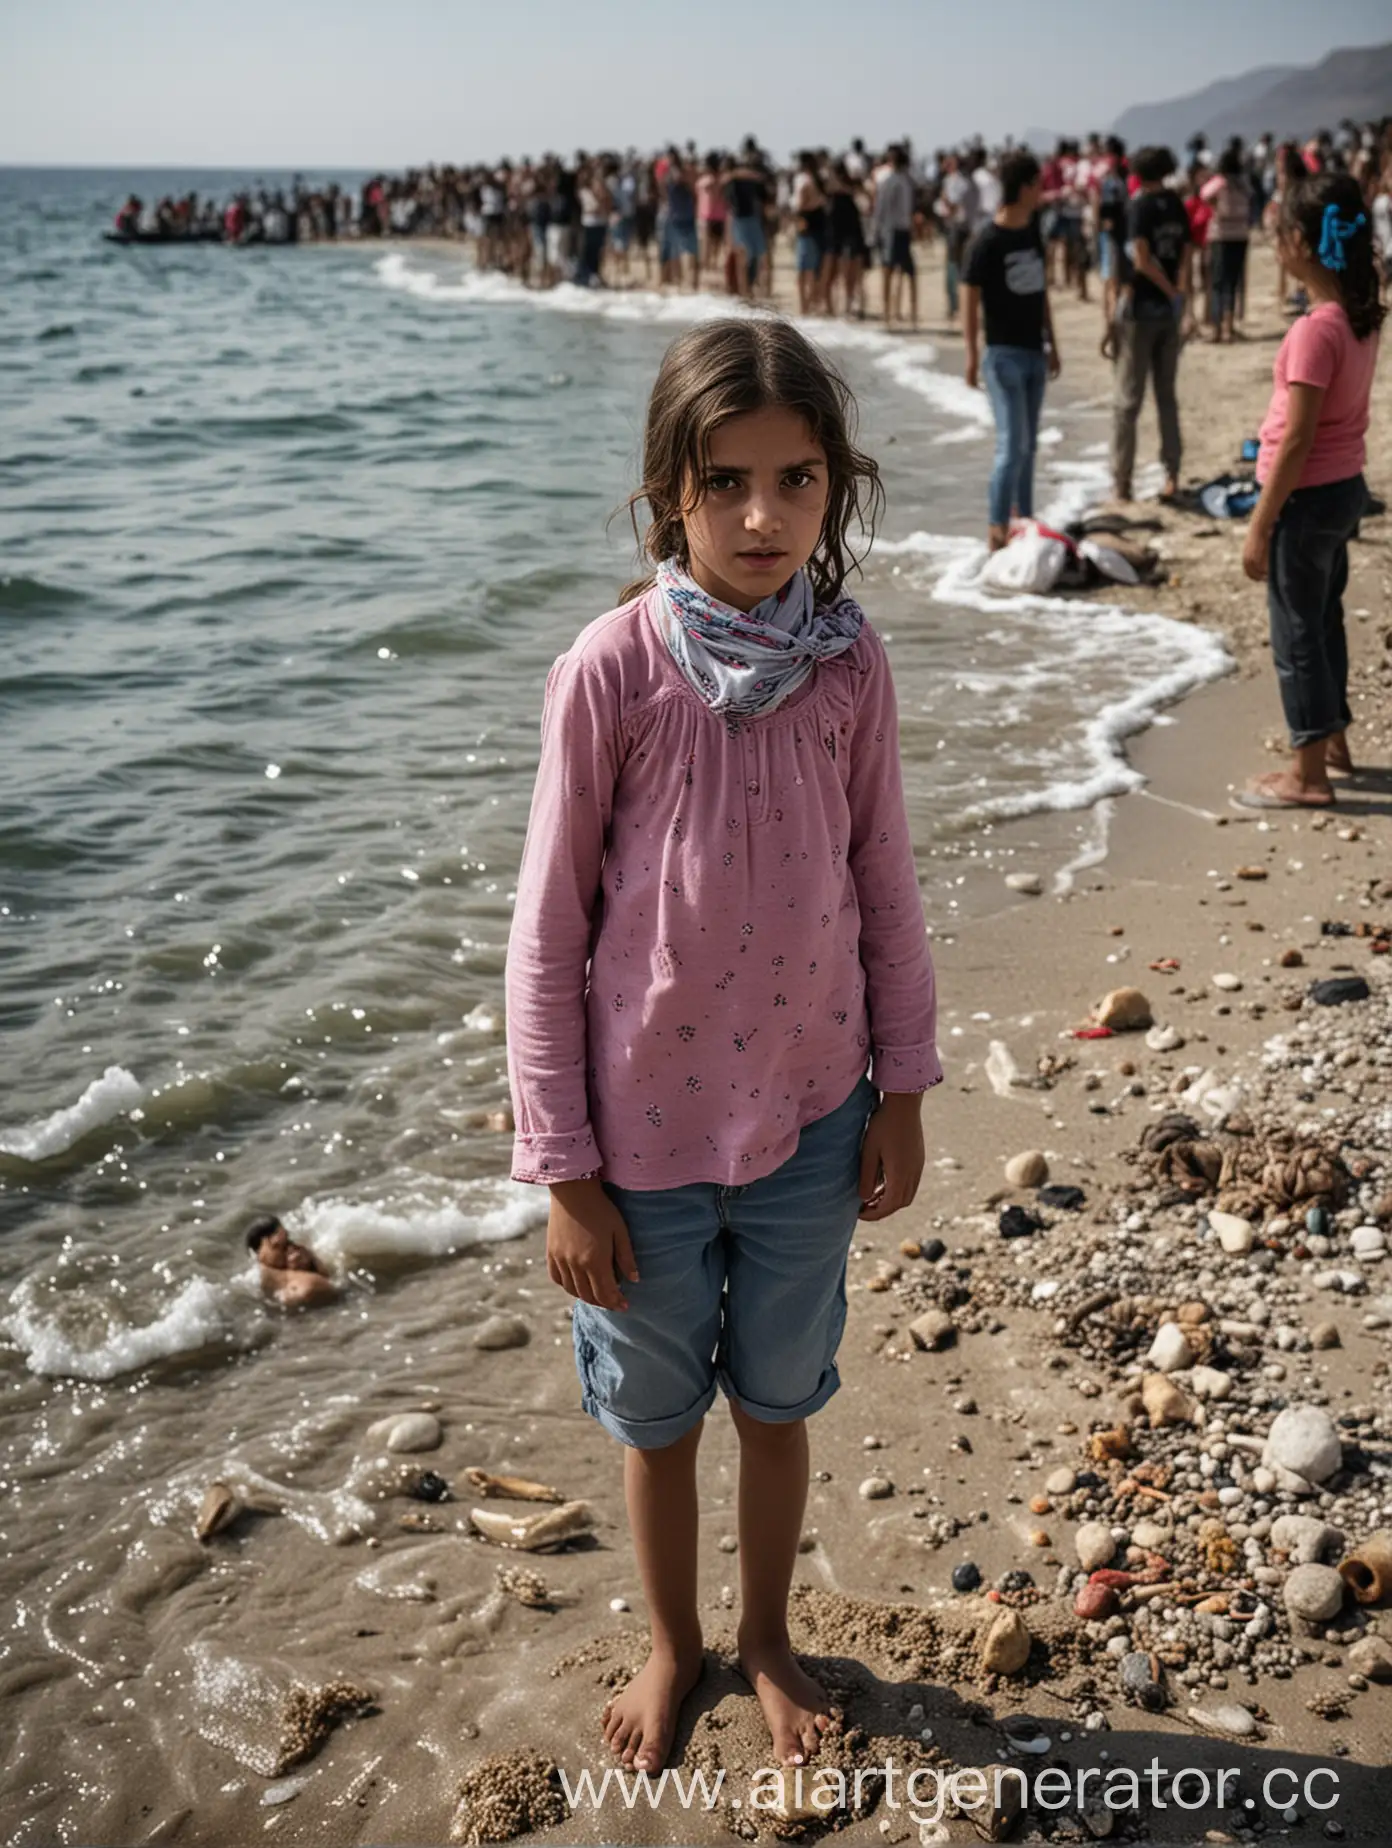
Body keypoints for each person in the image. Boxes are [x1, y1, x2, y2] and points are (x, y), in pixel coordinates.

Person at [505, 317, 940, 1775]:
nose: (765, 517)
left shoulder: (849, 666)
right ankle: (673, 1641)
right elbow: (546, 938)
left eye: (799, 480)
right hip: (637, 1152)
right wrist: (563, 1170)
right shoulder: (610, 674)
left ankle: (764, 1637)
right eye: (728, 481)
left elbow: (885, 883)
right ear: (668, 491)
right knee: (658, 1420)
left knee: (776, 1399)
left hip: (816, 1119)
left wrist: (906, 1093)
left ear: (838, 487)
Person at [1234, 172, 1383, 811]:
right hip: (1344, 488)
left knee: (1297, 632)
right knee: (1323, 620)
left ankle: (1309, 775)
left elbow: (1296, 441)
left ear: (1300, 240)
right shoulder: (1357, 317)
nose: (1275, 249)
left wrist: (1260, 523)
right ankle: (1333, 744)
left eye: (1278, 237)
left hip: (1306, 497)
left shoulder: (1314, 331)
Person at [962, 150, 1061, 551]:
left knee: (1030, 445)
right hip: (1001, 356)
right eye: (1038, 184)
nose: (1043, 191)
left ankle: (1025, 522)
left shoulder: (1033, 230)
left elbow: (1041, 291)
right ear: (1023, 188)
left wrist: (1052, 341)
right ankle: (997, 530)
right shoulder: (987, 240)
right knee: (1011, 445)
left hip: (1034, 352)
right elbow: (969, 300)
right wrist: (971, 355)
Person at [1108, 145, 1193, 503]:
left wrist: (1170, 291)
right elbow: (1187, 252)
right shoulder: (1175, 203)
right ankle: (1171, 474)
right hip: (1168, 314)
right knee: (1166, 397)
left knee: (1128, 400)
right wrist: (1181, 296)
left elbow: (1139, 261)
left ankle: (1122, 481)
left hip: (1141, 309)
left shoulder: (1138, 206)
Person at [1202, 143, 1252, 340]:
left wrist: (1214, 206)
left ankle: (1216, 329)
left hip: (1221, 236)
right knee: (1233, 282)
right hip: (1241, 235)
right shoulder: (1244, 184)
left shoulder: (1220, 182)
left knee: (1217, 283)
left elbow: (1204, 193)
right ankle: (1228, 328)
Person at [246, 1215, 337, 1307]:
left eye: (289, 1242)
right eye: (279, 1246)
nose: (290, 1250)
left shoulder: (301, 1257)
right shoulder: (259, 1276)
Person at [873, 144, 918, 326]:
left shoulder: (899, 180)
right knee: (893, 271)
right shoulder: (897, 180)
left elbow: (881, 208)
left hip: (897, 229)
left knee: (897, 271)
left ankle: (894, 313)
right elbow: (882, 207)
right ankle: (889, 313)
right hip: (894, 229)